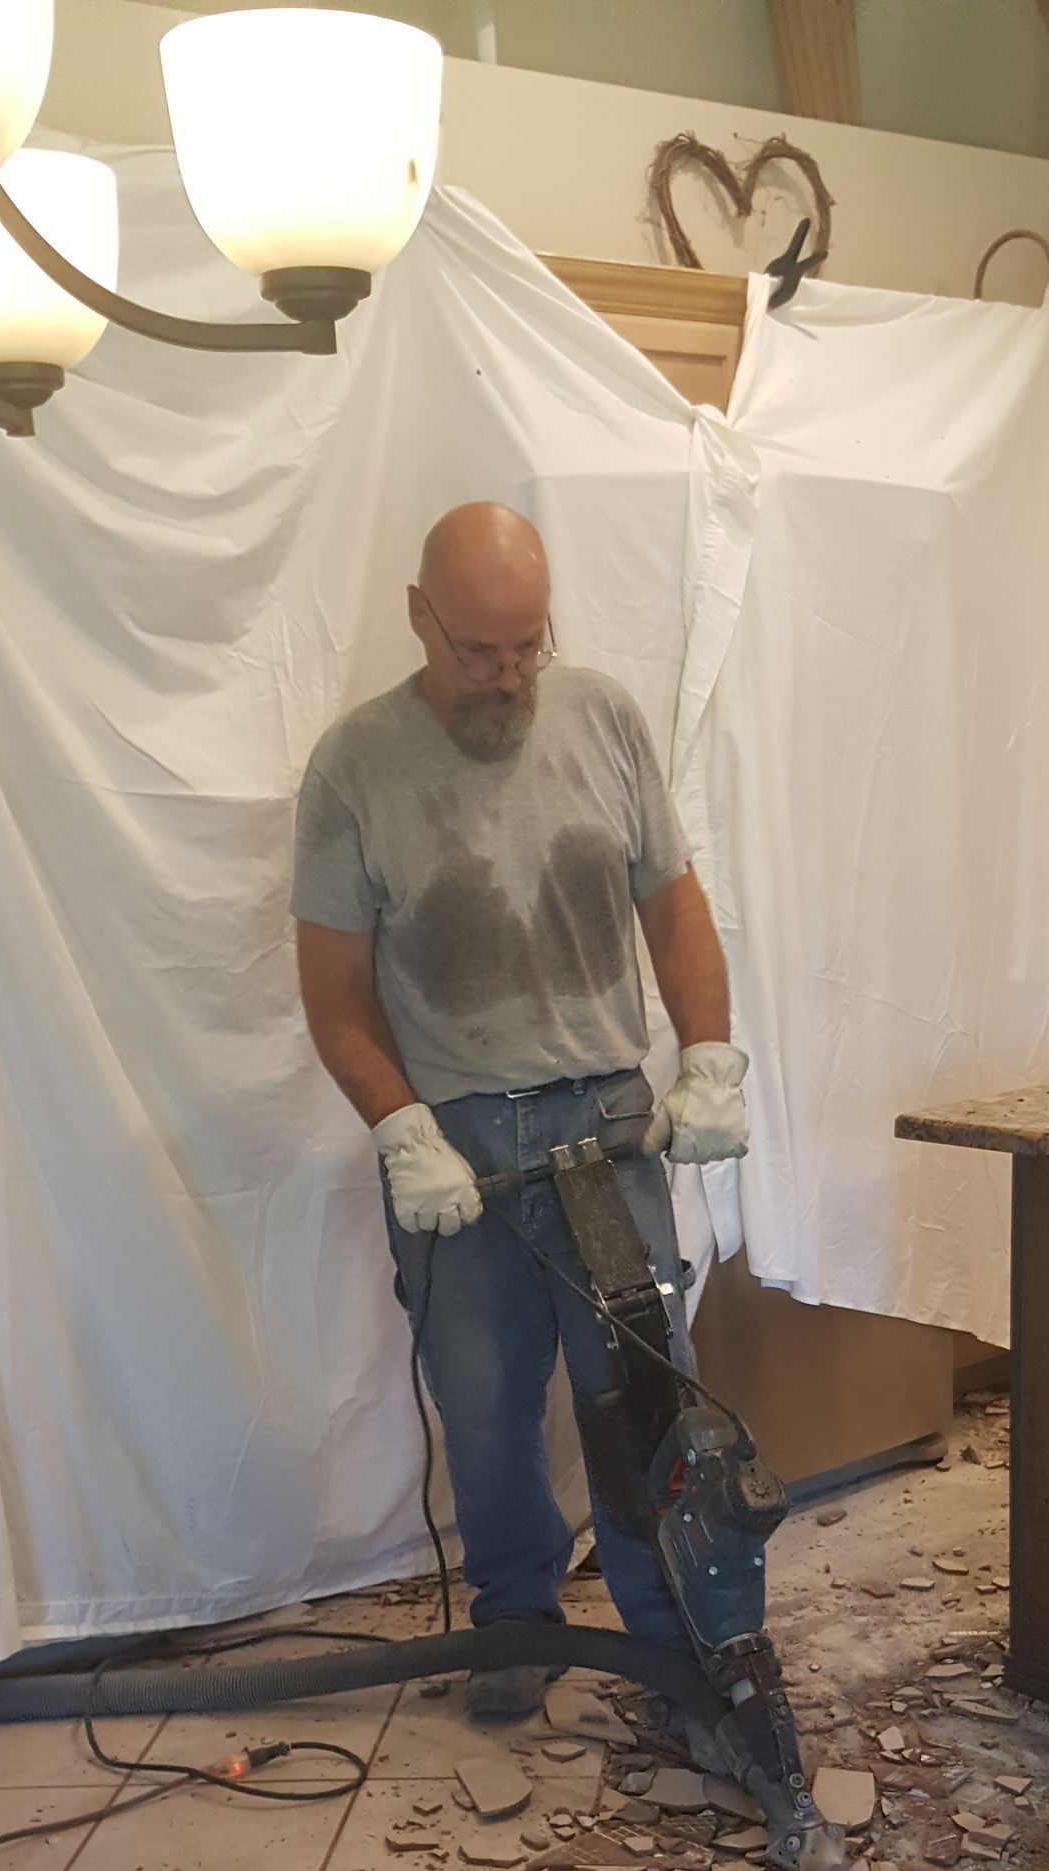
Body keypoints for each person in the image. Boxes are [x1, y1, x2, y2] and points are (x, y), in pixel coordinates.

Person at [291, 502, 749, 1720]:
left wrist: (708, 1056)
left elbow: (674, 906)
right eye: (478, 651)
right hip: (461, 1145)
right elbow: (333, 994)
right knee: (484, 1404)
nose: (506, 676)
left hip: (605, 1120)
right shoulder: (355, 766)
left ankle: (677, 1643)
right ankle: (514, 1623)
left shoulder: (602, 720)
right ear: (419, 618)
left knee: (643, 1398)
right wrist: (402, 1130)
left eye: (525, 648)